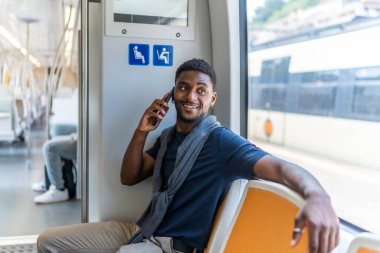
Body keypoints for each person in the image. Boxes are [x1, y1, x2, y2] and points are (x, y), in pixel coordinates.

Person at [37, 59, 339, 253]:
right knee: (48, 242)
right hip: (144, 230)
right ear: (172, 93)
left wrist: (318, 196)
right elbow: (129, 178)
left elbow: (280, 168)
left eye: (200, 90)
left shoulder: (222, 142)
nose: (190, 96)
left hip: (175, 247)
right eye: (183, 87)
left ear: (212, 99)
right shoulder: (168, 138)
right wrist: (142, 130)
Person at [32, 133, 77, 204]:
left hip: (88, 140)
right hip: (82, 136)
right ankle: (49, 182)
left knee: (49, 147)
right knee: (54, 139)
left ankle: (59, 189)